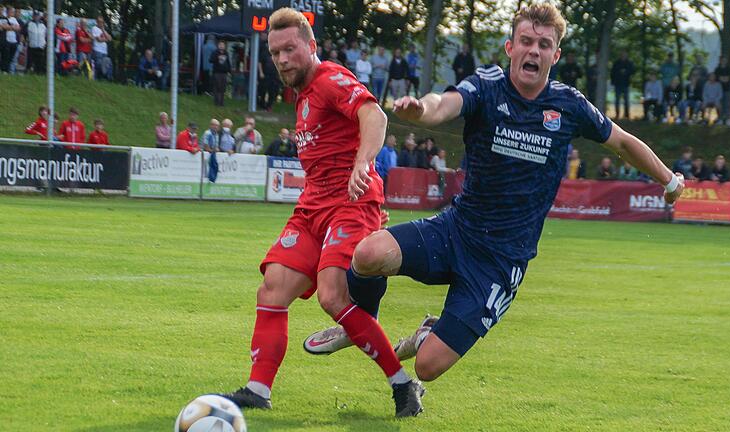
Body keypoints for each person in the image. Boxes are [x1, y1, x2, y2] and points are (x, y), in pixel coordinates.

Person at [303, 5, 685, 391]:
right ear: (510, 47)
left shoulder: (569, 105)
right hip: (457, 229)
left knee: (427, 367)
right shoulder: (487, 86)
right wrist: (422, 111)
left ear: (556, 56)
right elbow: (445, 103)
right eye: (526, 41)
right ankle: (362, 322)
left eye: (544, 44)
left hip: (500, 263)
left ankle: (424, 336)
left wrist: (669, 180)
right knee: (367, 255)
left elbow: (621, 142)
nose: (533, 51)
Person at [219, 8, 425, 417]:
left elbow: (374, 115)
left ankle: (403, 387)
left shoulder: (330, 79)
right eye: (275, 52)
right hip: (313, 208)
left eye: (289, 49)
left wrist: (363, 163)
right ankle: (258, 390)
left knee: (333, 297)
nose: (281, 59)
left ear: (311, 47)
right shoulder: (302, 95)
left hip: (350, 205)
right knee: (272, 288)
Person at [611, 52, 635, 119]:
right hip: (617, 84)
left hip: (626, 84)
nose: (623, 56)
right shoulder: (616, 63)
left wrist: (626, 72)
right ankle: (617, 114)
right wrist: (613, 81)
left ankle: (627, 115)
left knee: (626, 100)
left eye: (625, 55)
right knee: (617, 100)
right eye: (622, 55)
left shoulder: (629, 63)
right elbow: (612, 72)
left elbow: (633, 71)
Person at [91, 16, 112, 80]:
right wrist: (106, 39)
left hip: (104, 51)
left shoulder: (103, 30)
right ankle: (96, 78)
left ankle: (102, 79)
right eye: (99, 22)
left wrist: (103, 30)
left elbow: (110, 39)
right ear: (97, 22)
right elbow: (98, 40)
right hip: (97, 50)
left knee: (105, 66)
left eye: (102, 22)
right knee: (98, 65)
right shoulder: (94, 28)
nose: (101, 23)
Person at [210, 41, 231, 106]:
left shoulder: (226, 53)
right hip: (217, 72)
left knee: (223, 88)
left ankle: (221, 102)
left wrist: (229, 71)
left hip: (224, 73)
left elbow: (228, 62)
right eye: (220, 45)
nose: (222, 46)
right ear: (218, 45)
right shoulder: (215, 52)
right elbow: (210, 60)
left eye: (223, 45)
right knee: (217, 87)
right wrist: (217, 58)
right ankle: (216, 102)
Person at [714, 56, 730, 125]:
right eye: (722, 60)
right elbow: (716, 78)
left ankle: (728, 119)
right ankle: (720, 119)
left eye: (725, 60)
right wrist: (724, 78)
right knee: (720, 105)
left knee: (727, 104)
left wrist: (723, 78)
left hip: (727, 89)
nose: (723, 61)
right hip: (718, 90)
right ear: (720, 61)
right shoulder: (717, 69)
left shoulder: (729, 69)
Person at [0, 5, 19, 73]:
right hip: (5, 40)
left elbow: (18, 28)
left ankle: (7, 70)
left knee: (9, 57)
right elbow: (2, 27)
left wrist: (8, 27)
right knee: (5, 57)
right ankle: (4, 70)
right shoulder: (3, 18)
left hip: (11, 41)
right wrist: (12, 27)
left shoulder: (12, 19)